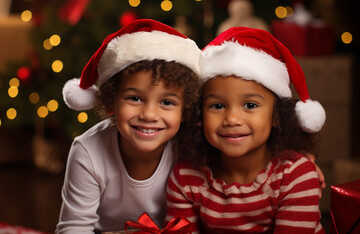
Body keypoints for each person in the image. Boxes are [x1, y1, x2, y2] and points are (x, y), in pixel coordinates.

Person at [166, 27, 326, 233]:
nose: (232, 119)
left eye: (250, 105)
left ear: (277, 116)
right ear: (199, 115)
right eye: (217, 106)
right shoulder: (186, 177)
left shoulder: (296, 175)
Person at [56, 19, 201, 234]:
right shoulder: (88, 151)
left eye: (167, 102)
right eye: (135, 98)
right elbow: (74, 227)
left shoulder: (188, 147)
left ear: (185, 109)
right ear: (111, 101)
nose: (150, 115)